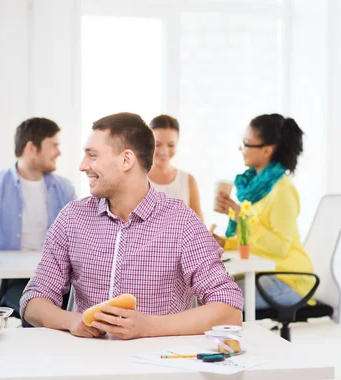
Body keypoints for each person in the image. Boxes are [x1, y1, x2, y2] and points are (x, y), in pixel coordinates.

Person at [20, 112, 243, 340]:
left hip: (160, 364)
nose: (82, 166)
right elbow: (33, 301)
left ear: (126, 160)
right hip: (87, 364)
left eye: (93, 156)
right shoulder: (72, 218)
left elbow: (229, 310)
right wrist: (72, 321)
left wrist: (148, 327)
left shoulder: (182, 222)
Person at [0, 117, 76, 316]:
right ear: (31, 148)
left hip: (55, 278)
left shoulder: (64, 188)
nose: (58, 152)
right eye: (54, 145)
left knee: (72, 306)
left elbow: (78, 236)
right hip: (9, 281)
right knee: (37, 310)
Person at [214, 114, 315, 309]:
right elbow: (253, 240)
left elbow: (278, 247)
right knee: (207, 292)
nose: (241, 149)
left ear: (267, 150)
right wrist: (225, 242)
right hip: (266, 274)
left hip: (289, 280)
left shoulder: (282, 190)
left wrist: (240, 216)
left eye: (246, 143)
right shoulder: (254, 190)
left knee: (218, 300)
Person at [148, 115, 203, 220]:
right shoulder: (137, 179)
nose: (164, 151)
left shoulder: (188, 180)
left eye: (171, 145)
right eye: (158, 144)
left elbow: (199, 227)